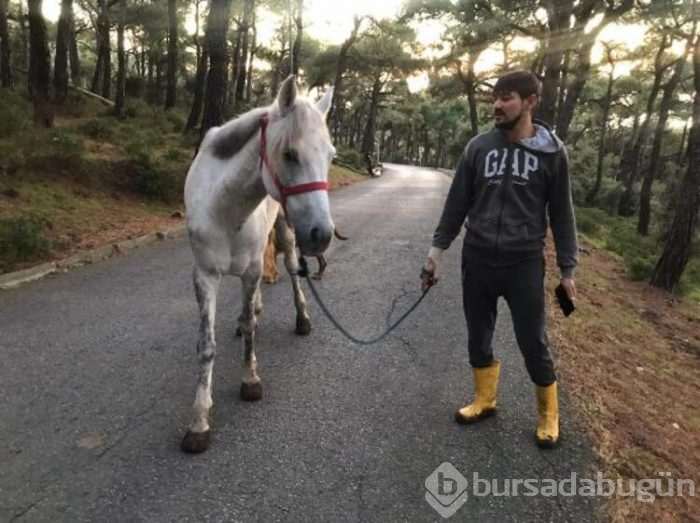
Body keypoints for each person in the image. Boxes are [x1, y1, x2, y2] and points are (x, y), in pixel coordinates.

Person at [421, 71, 578, 449]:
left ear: (530, 102)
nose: (497, 104)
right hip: (476, 259)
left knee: (532, 340)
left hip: (523, 263)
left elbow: (562, 214)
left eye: (506, 97)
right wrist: (434, 255)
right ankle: (485, 400)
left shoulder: (553, 154)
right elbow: (456, 204)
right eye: (495, 97)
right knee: (478, 333)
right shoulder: (478, 148)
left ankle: (547, 415)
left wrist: (568, 270)